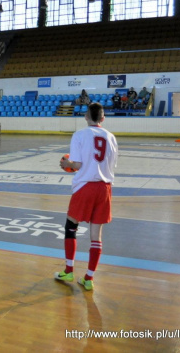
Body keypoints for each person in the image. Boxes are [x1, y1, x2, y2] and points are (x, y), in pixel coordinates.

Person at [55, 103, 118, 291]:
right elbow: (112, 165)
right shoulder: (111, 137)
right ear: (103, 118)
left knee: (71, 227)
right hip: (105, 187)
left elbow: (77, 165)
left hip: (85, 186)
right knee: (95, 236)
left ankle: (68, 270)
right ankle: (89, 278)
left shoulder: (80, 135)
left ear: (85, 116)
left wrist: (66, 163)